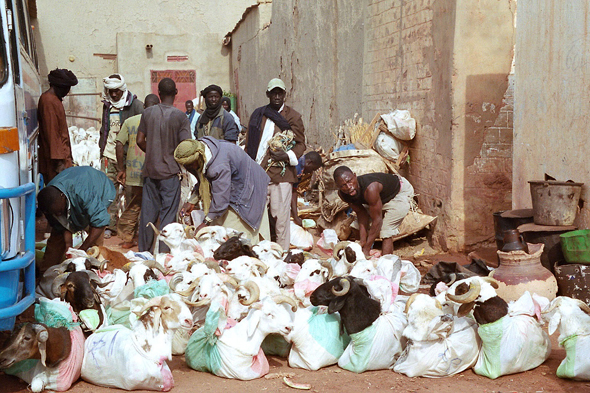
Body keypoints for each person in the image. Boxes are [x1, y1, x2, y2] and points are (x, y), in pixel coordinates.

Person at [245, 78, 305, 250]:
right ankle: (259, 251)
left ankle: (282, 254)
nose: (277, 96)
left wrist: (286, 156)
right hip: (259, 171)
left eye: (280, 93)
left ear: (285, 94)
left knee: (281, 218)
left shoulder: (293, 117)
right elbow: (250, 143)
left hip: (282, 174)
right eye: (273, 93)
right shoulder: (259, 115)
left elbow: (301, 143)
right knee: (257, 216)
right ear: (268, 94)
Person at [174, 137, 270, 243]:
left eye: (191, 164)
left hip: (249, 192)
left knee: (235, 239)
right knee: (217, 231)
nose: (190, 167)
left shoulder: (218, 166)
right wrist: (192, 201)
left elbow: (221, 200)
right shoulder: (202, 152)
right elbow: (203, 181)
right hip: (231, 189)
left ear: (199, 157)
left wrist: (205, 222)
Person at [137, 78, 191, 253]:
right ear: (175, 93)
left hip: (150, 171)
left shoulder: (148, 113)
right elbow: (186, 146)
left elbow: (139, 140)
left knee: (148, 215)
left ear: (158, 93)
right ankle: (163, 255)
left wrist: (152, 152)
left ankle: (143, 253)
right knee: (168, 216)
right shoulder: (180, 116)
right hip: (170, 173)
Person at [37, 166, 116, 273]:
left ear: (63, 197)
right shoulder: (49, 202)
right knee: (56, 242)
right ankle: (46, 275)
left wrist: (82, 249)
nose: (58, 214)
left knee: (94, 247)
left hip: (98, 188)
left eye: (59, 212)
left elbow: (99, 223)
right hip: (74, 193)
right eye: (55, 213)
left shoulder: (84, 194)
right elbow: (61, 225)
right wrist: (69, 248)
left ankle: (93, 273)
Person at [99, 73, 144, 238]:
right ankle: (109, 226)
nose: (114, 94)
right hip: (109, 156)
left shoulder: (136, 106)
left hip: (128, 158)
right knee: (109, 194)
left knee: (131, 195)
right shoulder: (107, 106)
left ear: (122, 89)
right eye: (111, 91)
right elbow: (105, 129)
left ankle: (130, 230)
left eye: (117, 91)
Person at [333, 166, 414, 256]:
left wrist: (367, 248)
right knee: (356, 226)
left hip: (399, 192)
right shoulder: (343, 194)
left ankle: (387, 262)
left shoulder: (370, 189)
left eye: (349, 181)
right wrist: (362, 242)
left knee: (386, 229)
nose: (348, 187)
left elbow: (377, 220)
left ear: (355, 176)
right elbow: (361, 213)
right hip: (379, 199)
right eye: (343, 185)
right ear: (338, 187)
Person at [114, 94, 160, 249]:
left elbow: (119, 144)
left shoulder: (130, 121)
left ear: (144, 106)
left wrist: (122, 168)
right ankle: (152, 239)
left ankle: (128, 238)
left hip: (134, 172)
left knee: (133, 205)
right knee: (154, 205)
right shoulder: (158, 120)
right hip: (154, 171)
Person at [37, 68, 78, 183]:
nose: (68, 91)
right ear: (60, 86)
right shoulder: (49, 102)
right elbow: (52, 134)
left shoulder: (55, 100)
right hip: (56, 164)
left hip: (63, 159)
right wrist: (59, 164)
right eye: (67, 88)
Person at [291, 151, 323, 226]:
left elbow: (293, 191)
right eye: (312, 169)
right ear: (309, 162)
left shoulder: (300, 168)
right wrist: (295, 217)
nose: (311, 172)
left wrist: (296, 216)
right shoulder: (296, 167)